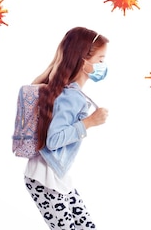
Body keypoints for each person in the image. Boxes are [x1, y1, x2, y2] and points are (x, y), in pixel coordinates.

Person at [24, 26, 109, 230]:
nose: (103, 65)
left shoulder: (69, 92)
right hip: (45, 178)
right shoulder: (70, 96)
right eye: (100, 59)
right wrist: (89, 122)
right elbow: (53, 140)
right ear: (83, 62)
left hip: (56, 176)